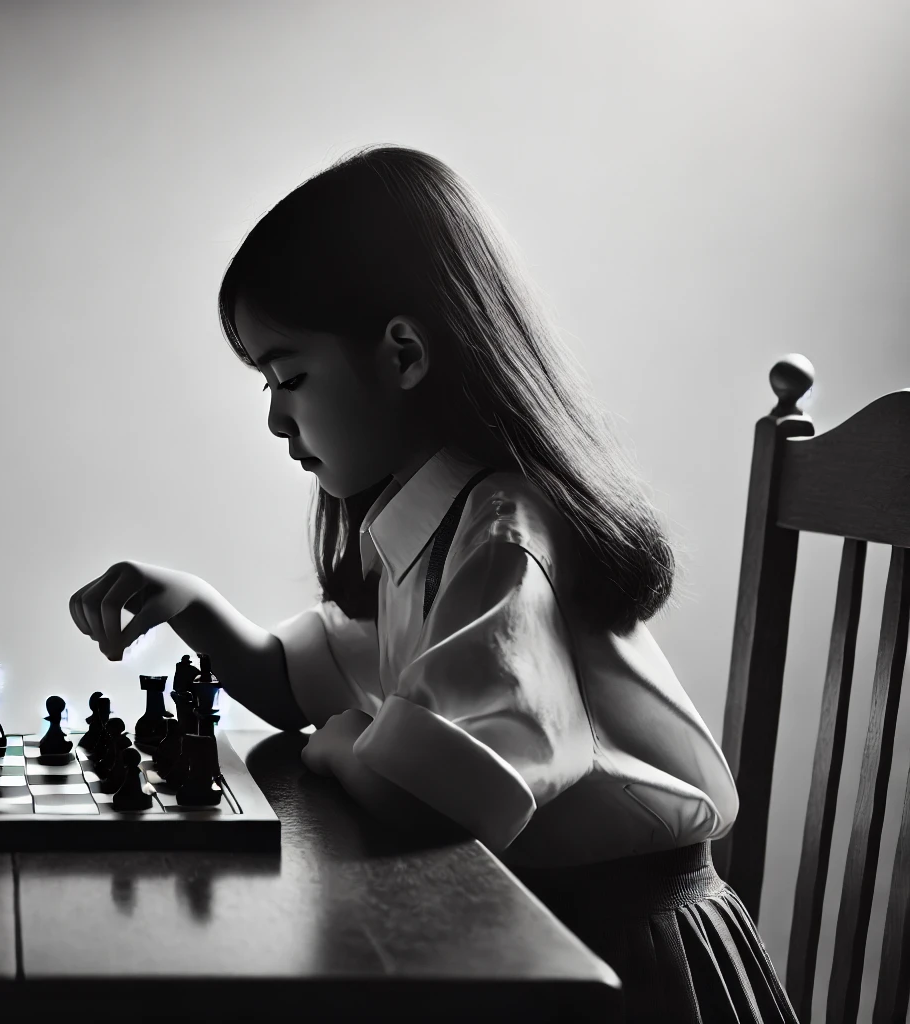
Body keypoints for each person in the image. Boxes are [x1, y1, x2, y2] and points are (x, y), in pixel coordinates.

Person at [67, 146, 795, 1023]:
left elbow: (439, 800)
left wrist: (345, 741)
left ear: (403, 353)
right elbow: (298, 684)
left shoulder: (502, 530)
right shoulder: (427, 523)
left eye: (289, 375)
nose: (272, 416)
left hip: (631, 960)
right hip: (539, 928)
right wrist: (194, 606)